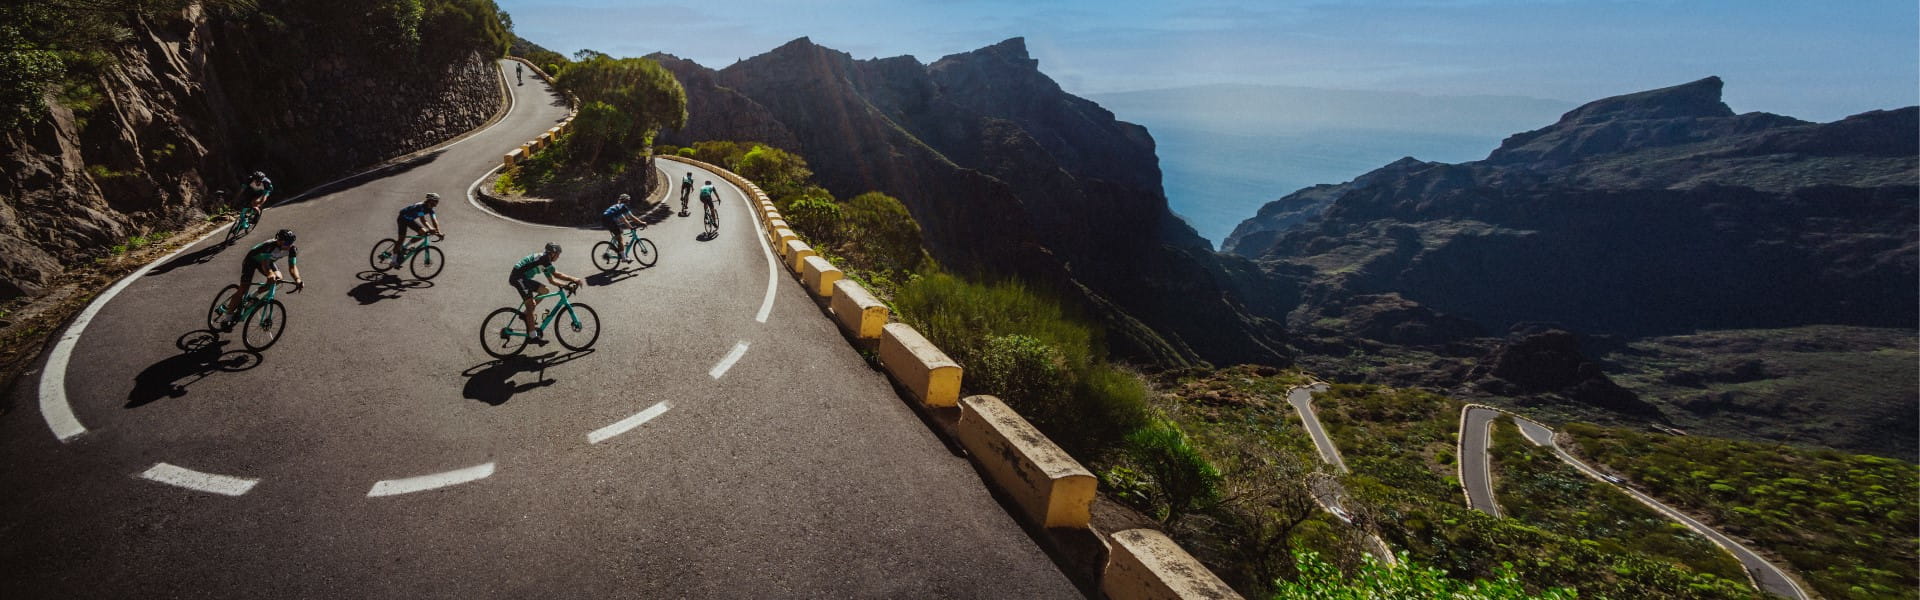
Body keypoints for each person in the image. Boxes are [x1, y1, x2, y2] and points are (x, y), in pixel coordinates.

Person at [221, 229, 303, 328]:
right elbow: (265, 264)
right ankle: (228, 316)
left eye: (291, 242)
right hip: (252, 261)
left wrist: (297, 279)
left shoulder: (292, 249)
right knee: (243, 289)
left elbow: (292, 267)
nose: (289, 245)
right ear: (279, 240)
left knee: (278, 279)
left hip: (268, 261)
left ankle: (253, 296)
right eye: (287, 242)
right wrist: (269, 274)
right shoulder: (269, 246)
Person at [509, 242, 583, 345]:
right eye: (558, 254)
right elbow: (557, 274)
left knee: (545, 290)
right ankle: (532, 336)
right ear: (552, 253)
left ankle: (526, 314)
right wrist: (574, 279)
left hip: (522, 278)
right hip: (518, 278)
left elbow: (552, 280)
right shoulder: (544, 259)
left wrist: (566, 286)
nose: (558, 257)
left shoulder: (544, 261)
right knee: (531, 305)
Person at [389, 193, 443, 267]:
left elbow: (434, 220)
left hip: (410, 220)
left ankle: (405, 247)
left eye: (437, 201)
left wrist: (438, 232)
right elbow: (423, 220)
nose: (437, 203)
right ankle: (393, 260)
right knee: (401, 239)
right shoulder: (420, 206)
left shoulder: (431, 209)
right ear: (430, 200)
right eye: (436, 201)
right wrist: (430, 228)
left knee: (424, 232)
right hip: (402, 219)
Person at [601, 193, 645, 258]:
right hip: (609, 220)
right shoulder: (623, 206)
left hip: (605, 219)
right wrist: (642, 223)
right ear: (626, 201)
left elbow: (624, 220)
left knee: (620, 231)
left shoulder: (618, 207)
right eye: (628, 201)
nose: (629, 202)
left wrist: (631, 228)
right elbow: (631, 217)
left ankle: (615, 247)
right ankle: (624, 258)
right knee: (620, 237)